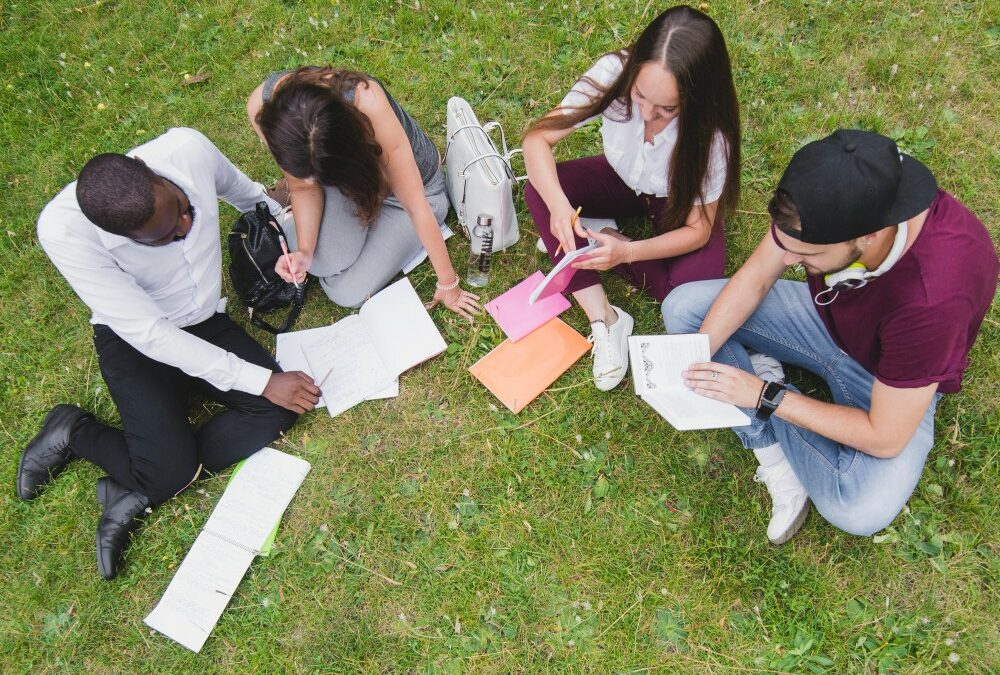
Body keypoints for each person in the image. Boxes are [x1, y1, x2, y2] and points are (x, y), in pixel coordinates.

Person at [662, 129, 999, 544]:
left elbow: (885, 436)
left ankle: (768, 392)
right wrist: (687, 360)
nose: (787, 261)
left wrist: (766, 395)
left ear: (870, 235)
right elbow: (757, 278)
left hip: (889, 382)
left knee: (858, 507)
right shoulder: (839, 196)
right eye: (785, 245)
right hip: (827, 321)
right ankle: (770, 448)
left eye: (804, 256)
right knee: (683, 310)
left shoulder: (931, 303)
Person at [21, 127, 320, 579]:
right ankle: (74, 431)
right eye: (163, 238)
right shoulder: (64, 231)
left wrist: (288, 238)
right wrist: (262, 380)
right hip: (135, 340)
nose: (185, 230)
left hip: (201, 322)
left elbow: (243, 193)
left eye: (184, 210)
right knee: (172, 470)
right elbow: (151, 335)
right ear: (116, 235)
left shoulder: (187, 149)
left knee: (277, 412)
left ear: (149, 171)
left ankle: (148, 477)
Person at [522, 5, 741, 391]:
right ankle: (604, 317)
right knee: (538, 189)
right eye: (639, 97)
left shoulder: (712, 136)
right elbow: (538, 139)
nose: (646, 114)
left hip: (678, 204)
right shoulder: (613, 74)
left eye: (666, 109)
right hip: (621, 182)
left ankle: (605, 241)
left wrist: (629, 252)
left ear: (696, 98)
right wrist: (558, 207)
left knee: (687, 302)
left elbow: (698, 230)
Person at [246, 67, 480, 319]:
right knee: (320, 261)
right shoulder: (263, 108)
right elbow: (303, 186)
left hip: (413, 196)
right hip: (344, 187)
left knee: (345, 292)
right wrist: (304, 252)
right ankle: (307, 230)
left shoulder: (368, 102)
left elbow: (416, 205)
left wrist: (448, 285)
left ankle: (320, 229)